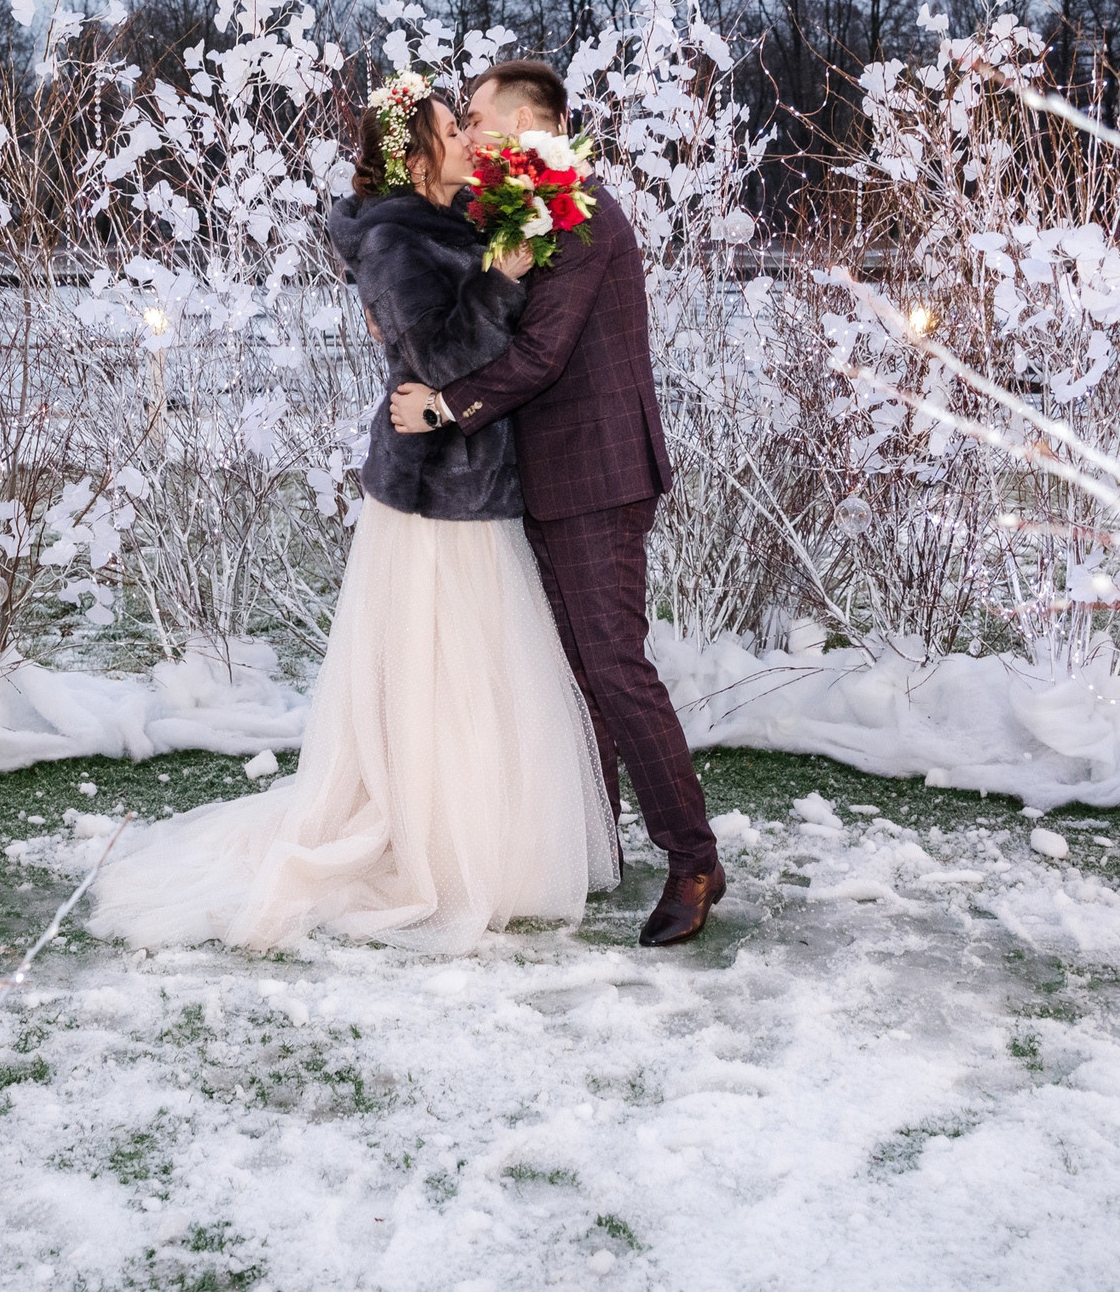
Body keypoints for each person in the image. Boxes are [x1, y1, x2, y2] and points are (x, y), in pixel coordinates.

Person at [83, 75, 618, 953]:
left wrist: (505, 254)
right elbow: (440, 353)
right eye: (453, 129)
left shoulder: (453, 220)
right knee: (435, 679)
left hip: (478, 484)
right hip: (433, 491)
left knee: (483, 678)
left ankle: (494, 840)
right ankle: (437, 846)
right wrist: (504, 282)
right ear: (416, 157)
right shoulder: (399, 240)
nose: (468, 142)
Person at [388, 58, 725, 946]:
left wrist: (443, 407)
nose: (477, 138)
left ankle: (694, 860)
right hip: (546, 478)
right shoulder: (518, 208)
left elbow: (538, 356)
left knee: (614, 667)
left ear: (535, 128)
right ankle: (592, 848)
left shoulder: (578, 214)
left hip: (600, 477)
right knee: (577, 677)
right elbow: (450, 264)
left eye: (486, 126)